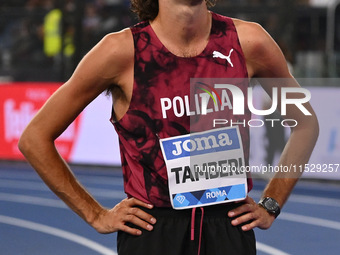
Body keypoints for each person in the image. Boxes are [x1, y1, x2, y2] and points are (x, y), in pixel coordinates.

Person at [19, 0, 319, 254]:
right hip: (152, 232)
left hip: (228, 228)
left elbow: (306, 122)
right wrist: (96, 215)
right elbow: (34, 137)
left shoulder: (249, 42)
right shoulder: (120, 51)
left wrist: (271, 203)